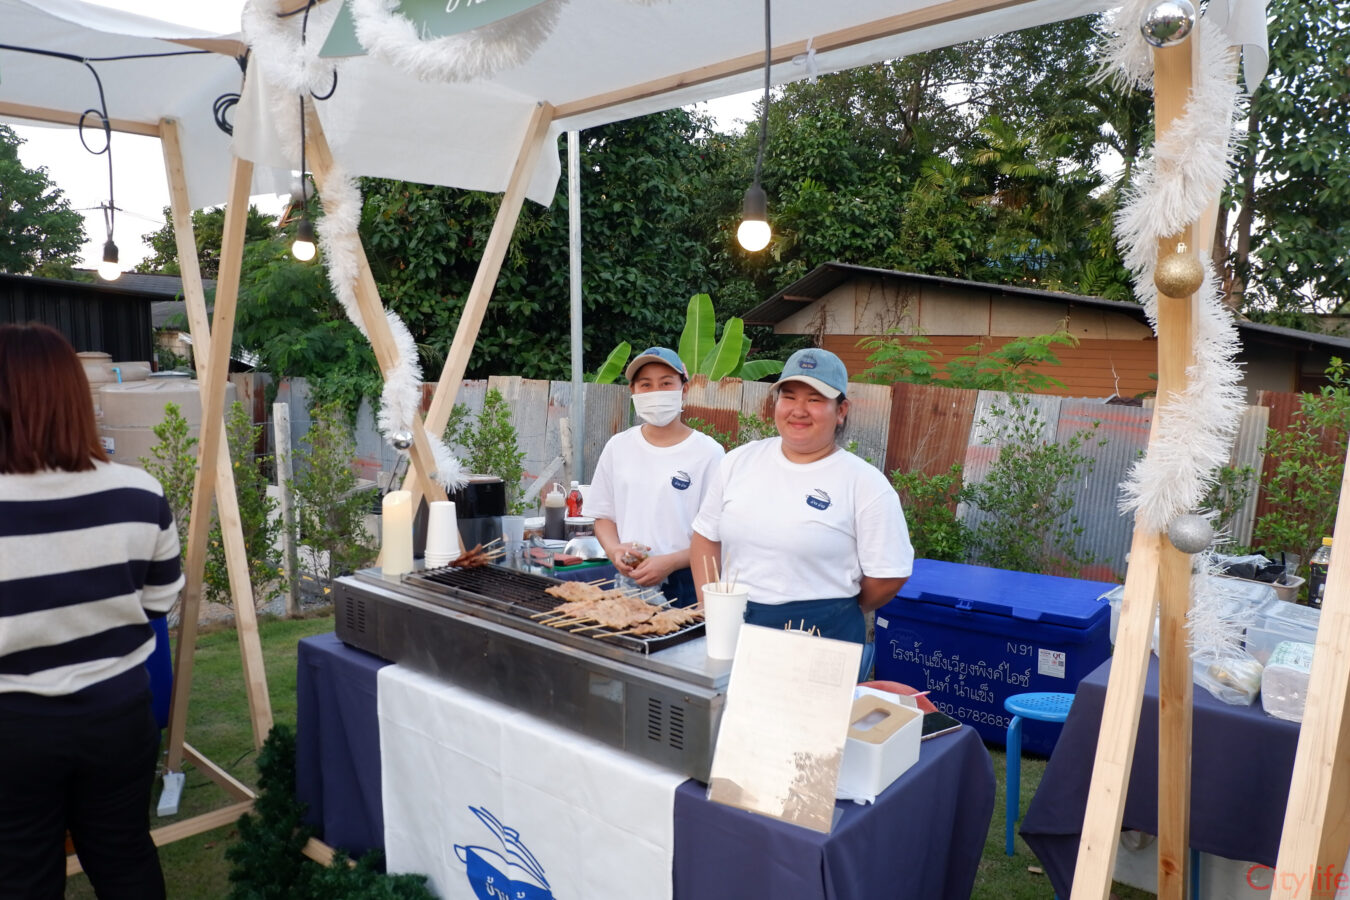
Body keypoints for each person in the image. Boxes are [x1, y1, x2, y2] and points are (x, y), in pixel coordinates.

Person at [0, 323, 183, 899]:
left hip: (13, 727)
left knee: (21, 873)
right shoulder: (139, 491)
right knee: (125, 856)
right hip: (118, 713)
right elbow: (159, 602)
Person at [690, 347, 913, 671]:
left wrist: (833, 608)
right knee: (732, 704)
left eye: (815, 399)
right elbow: (705, 535)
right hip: (736, 626)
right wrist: (710, 604)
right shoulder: (738, 462)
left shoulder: (864, 483)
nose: (798, 410)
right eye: (789, 396)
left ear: (841, 410)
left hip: (823, 635)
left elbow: (889, 575)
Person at [588, 346, 724, 607]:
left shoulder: (709, 453)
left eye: (666, 383)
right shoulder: (618, 447)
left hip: (687, 582)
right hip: (628, 579)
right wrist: (614, 549)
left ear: (684, 389)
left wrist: (670, 562)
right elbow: (603, 516)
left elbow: (718, 536)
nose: (656, 392)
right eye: (646, 385)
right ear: (633, 391)